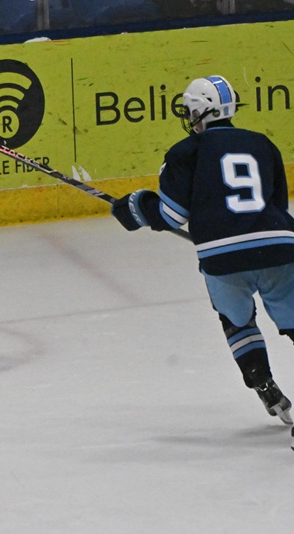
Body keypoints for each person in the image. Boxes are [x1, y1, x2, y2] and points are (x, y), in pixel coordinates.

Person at [111, 75, 294, 425]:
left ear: (198, 112)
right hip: (279, 248)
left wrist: (134, 208)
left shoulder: (186, 151)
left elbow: (171, 215)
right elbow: (277, 207)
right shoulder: (262, 143)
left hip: (222, 258)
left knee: (236, 320)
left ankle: (262, 380)